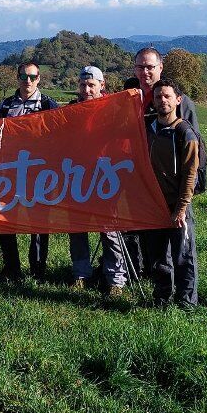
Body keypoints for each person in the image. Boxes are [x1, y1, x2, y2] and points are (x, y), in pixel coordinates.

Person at [123, 47, 199, 277]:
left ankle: (185, 296)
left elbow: (192, 150)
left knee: (180, 243)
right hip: (142, 181)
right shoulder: (130, 95)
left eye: (150, 67)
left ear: (160, 67)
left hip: (174, 186)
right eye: (140, 67)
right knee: (149, 235)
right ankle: (150, 277)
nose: (144, 72)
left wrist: (187, 193)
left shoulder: (179, 102)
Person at [0, 61, 59, 280]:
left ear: (39, 78)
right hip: (9, 171)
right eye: (23, 76)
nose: (27, 81)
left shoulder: (49, 105)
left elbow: (61, 136)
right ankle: (11, 267)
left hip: (40, 173)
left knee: (39, 222)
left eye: (32, 76)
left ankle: (38, 270)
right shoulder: (5, 105)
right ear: (17, 78)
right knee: (5, 219)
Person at [67, 66, 127, 296]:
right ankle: (81, 274)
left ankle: (115, 280)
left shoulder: (114, 109)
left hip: (106, 178)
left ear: (102, 85)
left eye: (92, 85)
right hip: (77, 177)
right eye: (83, 85)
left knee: (110, 229)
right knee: (77, 228)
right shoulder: (71, 110)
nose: (87, 89)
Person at [143, 79, 200, 307]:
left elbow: (190, 175)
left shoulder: (185, 133)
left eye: (167, 96)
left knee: (183, 256)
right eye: (158, 97)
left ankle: (187, 302)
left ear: (178, 100)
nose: (162, 101)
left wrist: (181, 209)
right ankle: (162, 298)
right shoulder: (148, 128)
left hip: (178, 205)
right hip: (153, 205)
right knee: (157, 256)